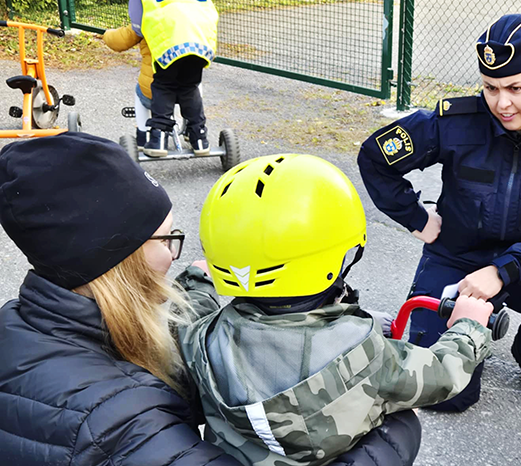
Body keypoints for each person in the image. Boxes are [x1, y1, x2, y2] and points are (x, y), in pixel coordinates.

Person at [357, 13, 521, 413]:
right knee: (447, 396)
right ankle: (472, 337)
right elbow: (376, 156)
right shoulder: (457, 122)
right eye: (490, 88)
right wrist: (417, 219)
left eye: (515, 87)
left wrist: (503, 271)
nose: (502, 103)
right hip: (456, 258)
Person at [178, 153, 495, 466]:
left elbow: (186, 316)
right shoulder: (367, 353)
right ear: (340, 254)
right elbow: (442, 373)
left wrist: (198, 280)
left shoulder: (203, 339)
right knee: (405, 418)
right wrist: (469, 328)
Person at [0, 132, 240, 465]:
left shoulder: (17, 326)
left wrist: (199, 287)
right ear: (119, 262)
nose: (173, 255)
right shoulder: (123, 423)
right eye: (166, 238)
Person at [140, 0, 218, 157]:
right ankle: (199, 137)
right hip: (199, 37)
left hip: (171, 37)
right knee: (189, 86)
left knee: (163, 86)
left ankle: (159, 138)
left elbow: (138, 18)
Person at [102, 0, 153, 150]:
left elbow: (118, 41)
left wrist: (106, 34)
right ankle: (193, 127)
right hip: (186, 92)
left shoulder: (145, 24)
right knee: (194, 84)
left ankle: (143, 136)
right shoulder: (188, 29)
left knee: (141, 93)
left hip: (154, 90)